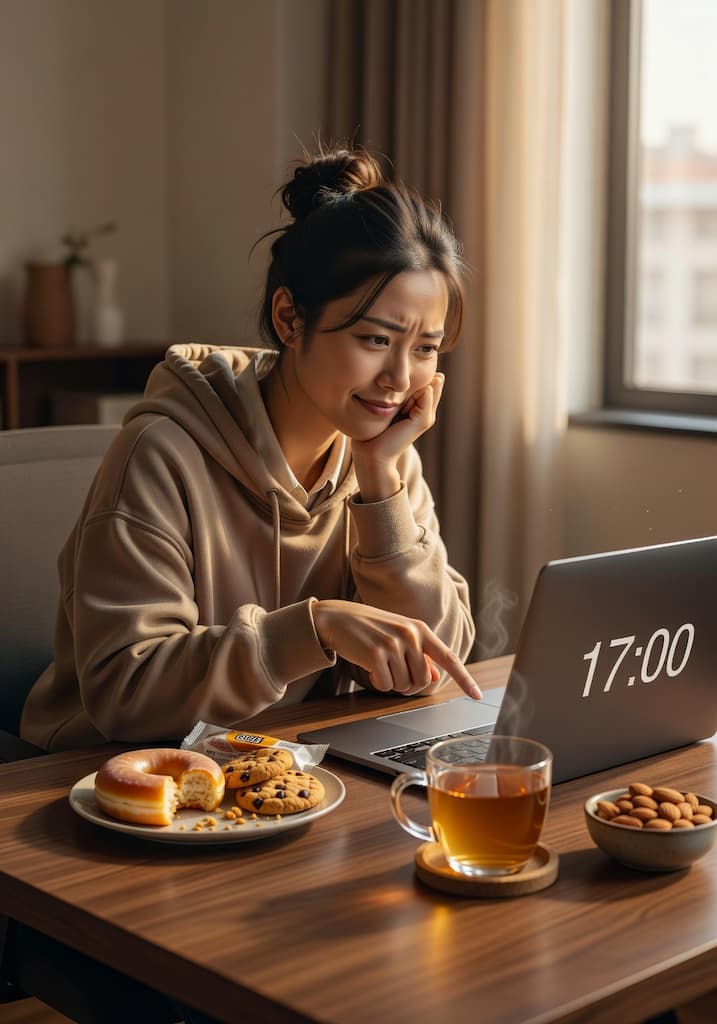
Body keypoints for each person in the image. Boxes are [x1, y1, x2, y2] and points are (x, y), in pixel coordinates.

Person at [20, 144, 479, 753]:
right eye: (375, 338)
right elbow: (127, 696)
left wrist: (381, 481)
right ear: (289, 319)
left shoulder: (383, 456)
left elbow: (435, 662)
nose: (400, 379)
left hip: (285, 769)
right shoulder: (161, 453)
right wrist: (307, 630)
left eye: (425, 348)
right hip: (108, 785)